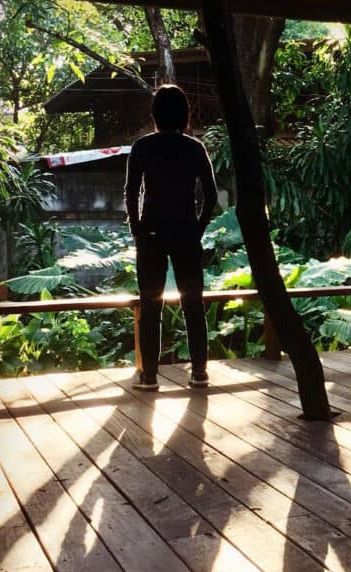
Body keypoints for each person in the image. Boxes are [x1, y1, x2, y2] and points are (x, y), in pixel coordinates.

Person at [124, 83, 218, 391]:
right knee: (193, 304)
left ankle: (150, 376)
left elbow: (131, 192)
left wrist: (137, 230)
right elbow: (211, 195)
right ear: (185, 114)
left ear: (154, 114)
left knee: (151, 306)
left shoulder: (142, 147)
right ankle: (200, 373)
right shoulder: (194, 148)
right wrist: (198, 228)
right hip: (186, 232)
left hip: (151, 233)